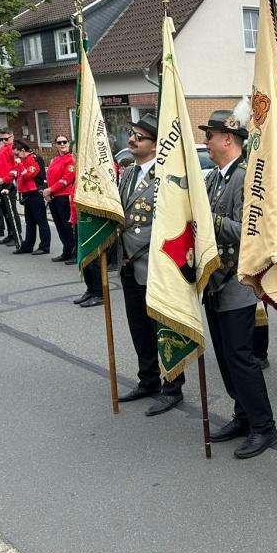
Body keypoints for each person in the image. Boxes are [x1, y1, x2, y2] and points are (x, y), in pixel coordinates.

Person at [200, 105, 277, 460]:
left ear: (228, 139)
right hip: (214, 282)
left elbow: (251, 230)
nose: (206, 141)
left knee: (241, 358)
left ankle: (265, 427)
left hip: (237, 283)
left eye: (210, 136)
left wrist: (210, 219)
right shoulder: (216, 177)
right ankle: (242, 415)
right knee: (226, 358)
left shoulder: (246, 178)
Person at [115, 112, 184, 415]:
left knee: (162, 328)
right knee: (138, 326)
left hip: (154, 263)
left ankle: (173, 386)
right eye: (132, 134)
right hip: (128, 262)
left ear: (155, 145)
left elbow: (172, 221)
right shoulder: (129, 172)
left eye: (139, 137)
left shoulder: (166, 176)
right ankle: (148, 379)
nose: (131, 139)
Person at [11, 139, 50, 255]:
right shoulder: (25, 160)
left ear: (23, 151)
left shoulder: (32, 159)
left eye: (17, 154)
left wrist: (20, 164)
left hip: (35, 193)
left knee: (41, 221)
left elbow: (29, 175)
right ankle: (28, 245)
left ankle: (44, 246)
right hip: (27, 193)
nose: (16, 157)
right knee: (30, 222)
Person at [44, 133, 77, 262]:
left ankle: (74, 252)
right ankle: (66, 250)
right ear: (56, 145)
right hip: (53, 196)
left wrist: (49, 190)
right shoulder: (54, 160)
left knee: (68, 226)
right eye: (59, 142)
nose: (62, 144)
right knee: (60, 226)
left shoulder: (72, 159)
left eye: (64, 142)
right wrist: (48, 192)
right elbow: (50, 177)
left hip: (65, 197)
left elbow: (67, 179)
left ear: (68, 143)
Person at [0, 130, 22, 246]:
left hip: (9, 183)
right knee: (5, 211)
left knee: (11, 211)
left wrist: (6, 180)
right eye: (2, 139)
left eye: (6, 139)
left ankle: (16, 235)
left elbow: (15, 167)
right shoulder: (2, 149)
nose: (4, 141)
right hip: (1, 182)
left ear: (12, 136)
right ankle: (10, 234)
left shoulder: (13, 149)